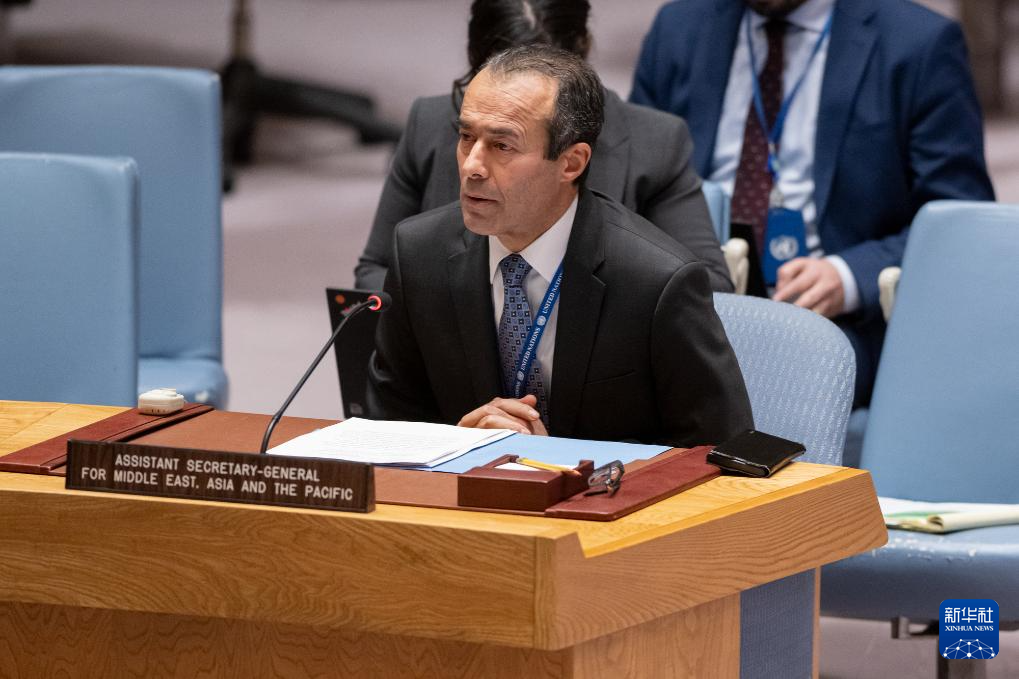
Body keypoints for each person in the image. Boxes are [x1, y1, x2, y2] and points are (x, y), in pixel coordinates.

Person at [366, 46, 753, 448]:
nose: (471, 166)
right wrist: (456, 447)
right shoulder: (419, 254)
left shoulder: (655, 282)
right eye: (466, 137)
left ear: (572, 163)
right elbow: (385, 428)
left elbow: (723, 452)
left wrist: (560, 463)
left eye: (502, 146)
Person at [630, 0, 995, 405]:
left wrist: (849, 276)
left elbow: (958, 223)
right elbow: (634, 185)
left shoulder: (917, 42)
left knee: (763, 392)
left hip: (835, 323)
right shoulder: (679, 28)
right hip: (690, 306)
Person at [355, 0, 733, 294]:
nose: (473, 164)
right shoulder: (429, 123)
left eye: (505, 143)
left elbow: (707, 287)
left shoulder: (655, 143)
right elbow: (377, 270)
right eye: (501, 77)